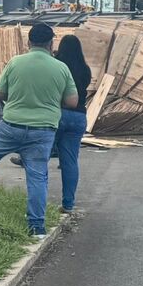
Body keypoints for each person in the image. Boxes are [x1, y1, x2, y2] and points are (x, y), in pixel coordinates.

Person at [0, 23, 77, 238]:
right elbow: (72, 101)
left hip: (11, 126)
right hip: (43, 130)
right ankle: (36, 226)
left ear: (29, 42)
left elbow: (0, 94)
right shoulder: (61, 68)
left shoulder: (15, 63)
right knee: (37, 176)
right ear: (51, 43)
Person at [54, 35, 91, 212]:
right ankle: (68, 204)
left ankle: (37, 203)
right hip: (78, 117)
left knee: (40, 158)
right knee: (70, 161)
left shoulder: (56, 65)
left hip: (56, 114)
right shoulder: (85, 69)